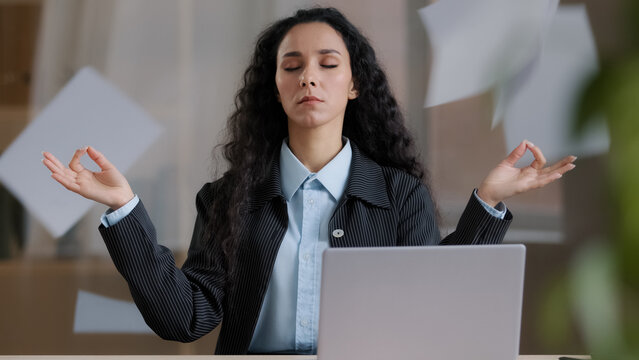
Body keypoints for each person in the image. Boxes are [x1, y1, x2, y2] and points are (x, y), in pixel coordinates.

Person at [42, 7, 576, 355]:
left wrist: (487, 202)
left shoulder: (399, 195)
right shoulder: (229, 198)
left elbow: (439, 304)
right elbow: (184, 318)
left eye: (327, 63)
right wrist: (124, 210)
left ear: (353, 84)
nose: (309, 77)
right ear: (275, 88)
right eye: (291, 66)